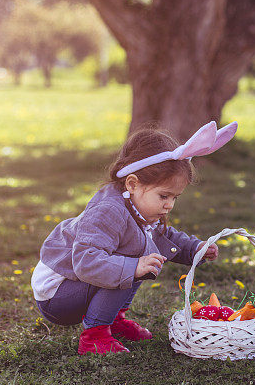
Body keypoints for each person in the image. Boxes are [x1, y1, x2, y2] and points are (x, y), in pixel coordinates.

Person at [31, 121, 237, 355]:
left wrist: (195, 249)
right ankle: (94, 337)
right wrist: (133, 266)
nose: (169, 205)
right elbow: (86, 261)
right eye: (164, 196)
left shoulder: (138, 207)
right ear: (133, 183)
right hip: (58, 295)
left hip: (78, 282)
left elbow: (163, 235)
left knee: (137, 260)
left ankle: (113, 320)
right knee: (132, 261)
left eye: (175, 198)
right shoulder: (108, 211)